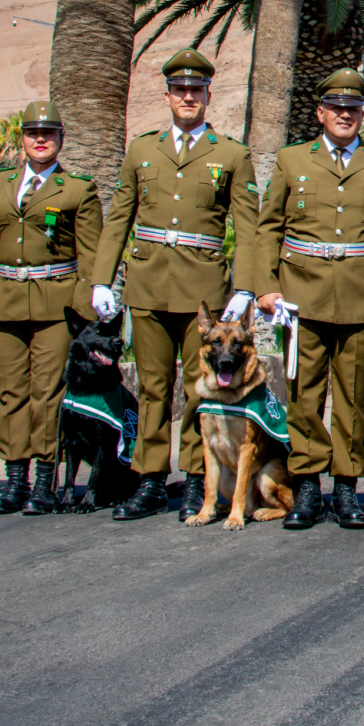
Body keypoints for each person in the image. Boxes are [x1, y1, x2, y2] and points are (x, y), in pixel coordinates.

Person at [90, 49, 259, 521]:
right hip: (146, 283)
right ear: (167, 96)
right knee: (151, 386)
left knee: (197, 387)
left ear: (208, 96)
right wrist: (102, 279)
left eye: (196, 90)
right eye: (180, 90)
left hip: (202, 287)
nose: (188, 97)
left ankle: (194, 480)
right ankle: (148, 480)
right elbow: (119, 217)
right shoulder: (142, 150)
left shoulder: (231, 154)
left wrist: (245, 287)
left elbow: (248, 227)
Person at [255, 69, 364, 530]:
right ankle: (308, 486)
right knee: (304, 394)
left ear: (362, 114)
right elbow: (268, 227)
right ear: (320, 113)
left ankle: (346, 486)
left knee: (352, 396)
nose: (345, 115)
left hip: (362, 295)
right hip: (301, 295)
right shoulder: (291, 160)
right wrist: (265, 285)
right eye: (337, 108)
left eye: (354, 109)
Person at [0, 100, 102, 516]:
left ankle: (44, 480)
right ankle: (14, 480)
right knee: (9, 392)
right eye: (32, 133)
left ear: (61, 138)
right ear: (23, 139)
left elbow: (91, 255)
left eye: (48, 134)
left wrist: (82, 312)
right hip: (4, 300)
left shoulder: (78, 188)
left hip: (55, 304)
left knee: (48, 392)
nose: (40, 140)